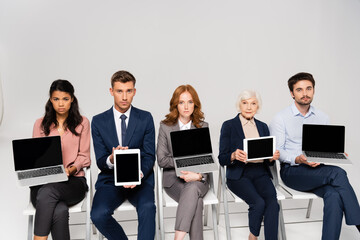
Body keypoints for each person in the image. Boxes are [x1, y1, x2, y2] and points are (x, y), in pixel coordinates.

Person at [269, 72, 360, 240]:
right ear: (292, 93)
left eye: (308, 88)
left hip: (319, 171)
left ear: (314, 90)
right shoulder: (280, 118)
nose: (305, 93)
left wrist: (334, 153)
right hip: (293, 171)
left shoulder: (322, 117)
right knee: (338, 173)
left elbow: (323, 147)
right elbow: (277, 151)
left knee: (333, 195)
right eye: (299, 90)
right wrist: (298, 158)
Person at [90, 70, 156, 240]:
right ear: (111, 91)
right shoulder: (98, 121)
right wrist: (111, 158)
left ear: (134, 91)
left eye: (128, 91)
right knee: (97, 214)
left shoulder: (145, 118)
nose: (124, 97)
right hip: (110, 180)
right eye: (119, 91)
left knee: (148, 207)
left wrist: (138, 175)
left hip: (140, 179)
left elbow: (149, 155)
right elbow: (100, 161)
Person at [31, 80, 91, 240]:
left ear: (72, 99)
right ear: (51, 100)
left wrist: (70, 170)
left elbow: (84, 157)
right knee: (59, 210)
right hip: (44, 182)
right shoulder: (40, 124)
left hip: (73, 182)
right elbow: (36, 158)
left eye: (65, 99)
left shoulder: (82, 123)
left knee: (48, 192)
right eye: (56, 99)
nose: (61, 104)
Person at [218, 90, 280, 240]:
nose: (249, 107)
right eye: (244, 103)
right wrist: (233, 155)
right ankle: (253, 236)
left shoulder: (263, 127)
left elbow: (267, 157)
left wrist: (272, 158)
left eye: (253, 103)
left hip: (261, 173)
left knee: (273, 204)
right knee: (258, 203)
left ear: (257, 107)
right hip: (239, 174)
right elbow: (222, 158)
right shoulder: (229, 125)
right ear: (239, 105)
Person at [157, 84, 210, 240]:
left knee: (193, 188)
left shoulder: (202, 126)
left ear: (195, 104)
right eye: (181, 102)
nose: (186, 106)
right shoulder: (165, 127)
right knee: (197, 202)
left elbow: (207, 159)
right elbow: (161, 159)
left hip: (199, 179)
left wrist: (198, 176)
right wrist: (185, 161)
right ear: (175, 105)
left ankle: (177, 238)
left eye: (190, 102)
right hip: (174, 180)